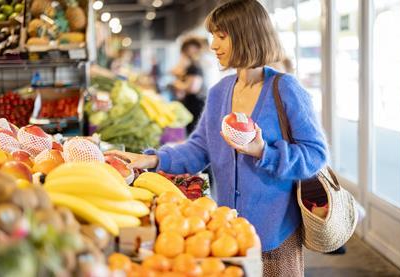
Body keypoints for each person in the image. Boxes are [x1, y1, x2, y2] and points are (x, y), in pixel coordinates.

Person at [107, 1, 328, 276]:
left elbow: (316, 155)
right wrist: (152, 159)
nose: (212, 45)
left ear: (248, 35)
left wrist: (263, 151)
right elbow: (200, 148)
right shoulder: (219, 92)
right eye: (213, 36)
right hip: (224, 235)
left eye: (221, 36)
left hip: (274, 237)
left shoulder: (285, 89)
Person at [170, 37, 206, 135]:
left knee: (193, 134)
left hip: (196, 105)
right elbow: (174, 71)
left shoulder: (195, 67)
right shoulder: (190, 66)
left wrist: (177, 85)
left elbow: (192, 88)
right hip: (192, 104)